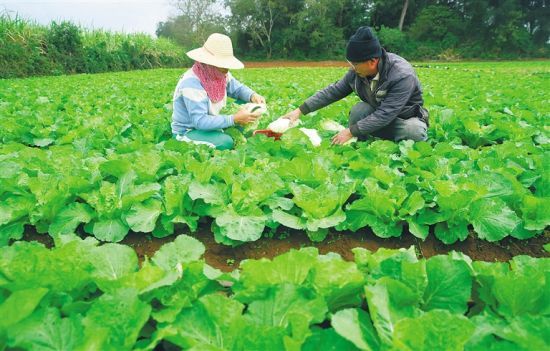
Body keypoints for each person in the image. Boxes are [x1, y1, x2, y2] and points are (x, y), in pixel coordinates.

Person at [282, 26, 428, 145]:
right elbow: (333, 91)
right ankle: (368, 139)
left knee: (413, 131)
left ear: (372, 61)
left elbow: (386, 113)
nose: (352, 67)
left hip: (403, 120)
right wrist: (299, 111)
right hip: (376, 119)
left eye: (355, 64)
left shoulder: (402, 75)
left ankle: (379, 137)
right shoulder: (357, 73)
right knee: (359, 111)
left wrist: (351, 131)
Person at [171, 33, 266, 150]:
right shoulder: (191, 83)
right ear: (210, 63)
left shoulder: (220, 73)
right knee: (225, 142)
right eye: (223, 65)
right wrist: (233, 119)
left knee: (246, 104)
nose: (227, 69)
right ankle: (218, 136)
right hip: (189, 131)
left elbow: (237, 89)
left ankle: (222, 132)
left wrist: (253, 95)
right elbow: (200, 121)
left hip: (212, 123)